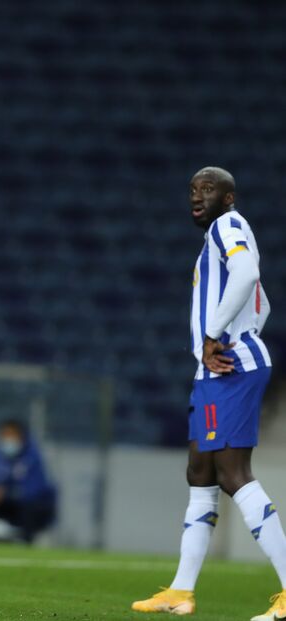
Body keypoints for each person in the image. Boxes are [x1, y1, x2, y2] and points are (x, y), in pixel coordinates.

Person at [132, 167, 286, 620]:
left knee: (233, 473)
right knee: (200, 472)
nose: (198, 197)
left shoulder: (228, 225)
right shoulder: (214, 240)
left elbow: (247, 275)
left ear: (229, 197)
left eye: (208, 190)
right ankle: (181, 591)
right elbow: (262, 300)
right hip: (213, 371)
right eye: (193, 190)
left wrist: (216, 334)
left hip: (231, 367)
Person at [0, 420, 56, 543]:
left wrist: (6, 493)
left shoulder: (32, 457)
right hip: (2, 504)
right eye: (5, 435)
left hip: (26, 505)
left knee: (30, 508)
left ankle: (24, 541)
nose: (8, 440)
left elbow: (34, 489)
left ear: (21, 437)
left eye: (11, 435)